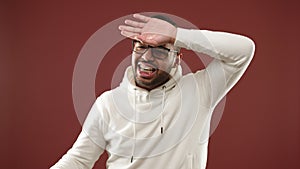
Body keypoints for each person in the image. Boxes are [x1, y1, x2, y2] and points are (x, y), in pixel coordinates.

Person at [50, 13, 255, 169]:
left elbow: (243, 50)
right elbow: (79, 159)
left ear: (176, 58)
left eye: (159, 50)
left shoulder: (200, 90)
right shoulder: (108, 103)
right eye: (141, 47)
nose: (147, 57)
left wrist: (176, 35)